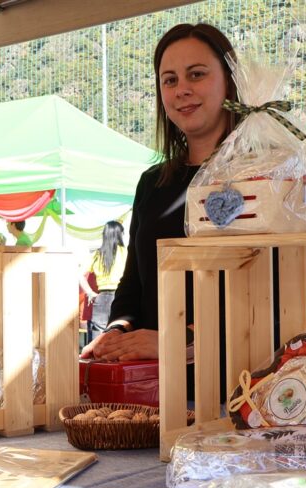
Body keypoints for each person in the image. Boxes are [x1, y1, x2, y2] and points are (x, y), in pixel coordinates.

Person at [81, 23, 238, 362]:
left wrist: (180, 340)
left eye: (196, 74)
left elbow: (268, 289)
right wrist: (115, 331)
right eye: (169, 80)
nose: (182, 90)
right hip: (151, 383)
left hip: (236, 381)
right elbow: (133, 282)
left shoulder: (260, 176)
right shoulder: (152, 182)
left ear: (230, 80)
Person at [80, 221, 127, 342]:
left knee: (98, 337)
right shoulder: (125, 252)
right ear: (119, 234)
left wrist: (90, 292)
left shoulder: (97, 254)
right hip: (121, 297)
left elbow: (80, 275)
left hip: (101, 298)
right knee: (120, 334)